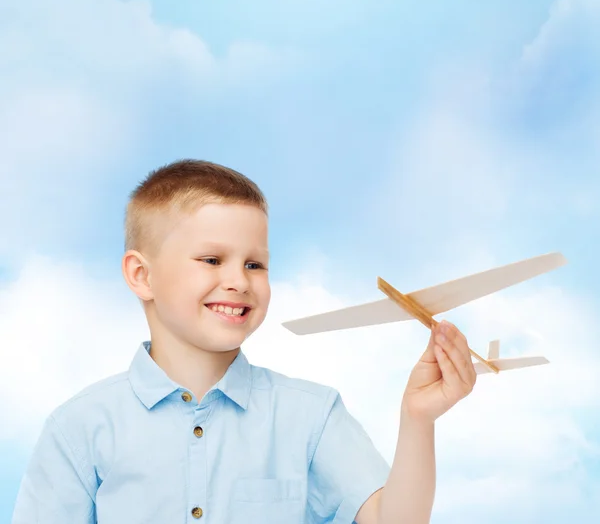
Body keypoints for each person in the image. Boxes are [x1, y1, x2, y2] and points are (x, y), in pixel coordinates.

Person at [11, 159, 477, 524]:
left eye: (255, 264)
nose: (238, 280)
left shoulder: (311, 416)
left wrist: (419, 419)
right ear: (141, 275)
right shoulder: (78, 428)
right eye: (212, 259)